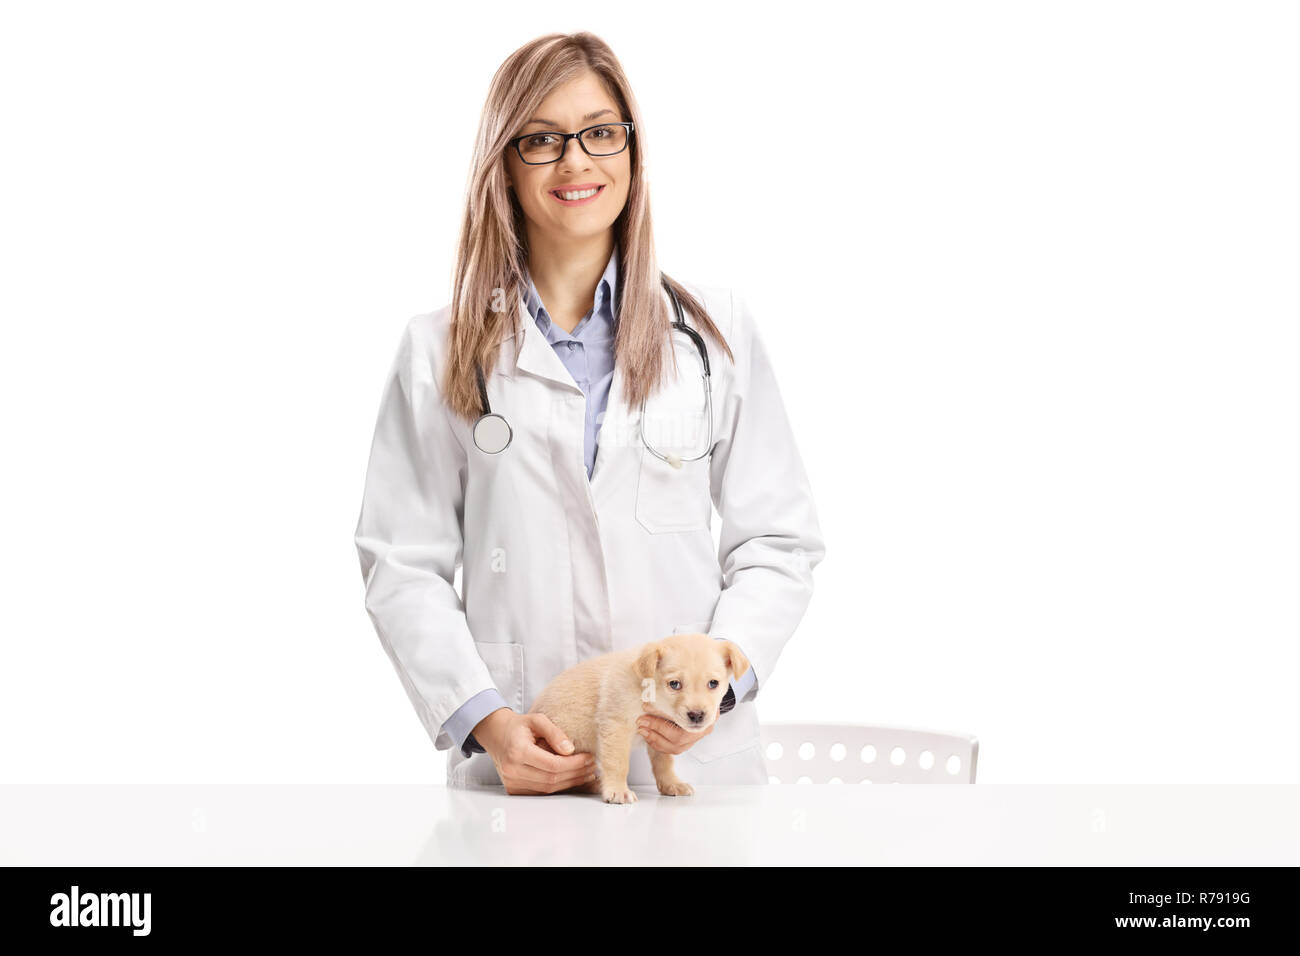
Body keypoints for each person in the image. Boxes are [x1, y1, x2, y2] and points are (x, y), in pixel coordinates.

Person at [354, 31, 825, 793]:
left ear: (632, 153)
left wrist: (716, 688)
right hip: (522, 764)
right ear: (503, 165)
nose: (576, 161)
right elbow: (403, 564)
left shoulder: (714, 335)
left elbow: (777, 542)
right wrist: (491, 724)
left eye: (601, 132)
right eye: (541, 139)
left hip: (693, 772)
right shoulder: (437, 349)